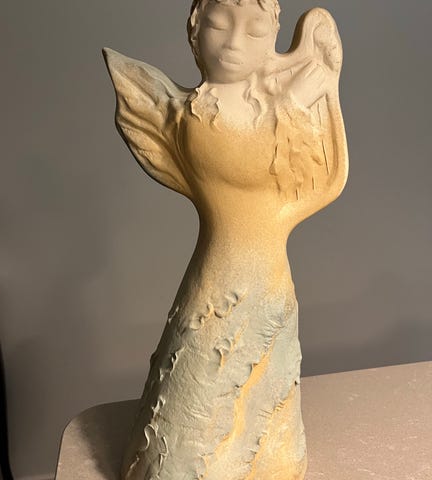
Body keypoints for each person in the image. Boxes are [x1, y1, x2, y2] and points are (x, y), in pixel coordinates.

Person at [103, 1, 348, 478]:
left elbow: (306, 185)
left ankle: (268, 460)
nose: (234, 43)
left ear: (271, 39)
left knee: (267, 391)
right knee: (200, 384)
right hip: (221, 279)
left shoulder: (268, 101)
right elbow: (244, 153)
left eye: (254, 31)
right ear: (195, 32)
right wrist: (298, 96)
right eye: (218, 25)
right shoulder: (198, 117)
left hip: (270, 277)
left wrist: (325, 84)